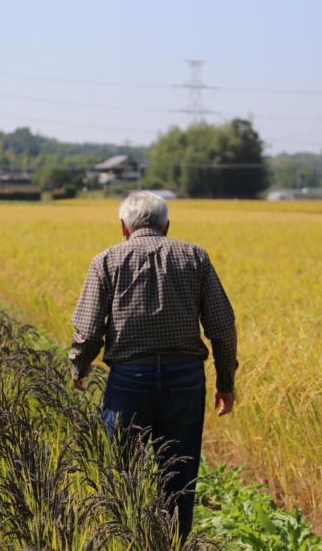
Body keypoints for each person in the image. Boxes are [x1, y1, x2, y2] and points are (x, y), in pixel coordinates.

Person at [69, 190, 238, 542]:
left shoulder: (107, 260)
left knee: (122, 470)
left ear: (123, 227)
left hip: (130, 379)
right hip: (186, 380)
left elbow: (87, 331)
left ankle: (125, 537)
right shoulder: (196, 257)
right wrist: (225, 382)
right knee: (179, 473)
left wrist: (79, 367)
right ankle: (171, 543)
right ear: (166, 225)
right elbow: (222, 329)